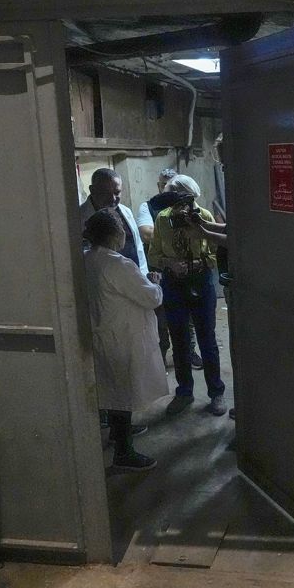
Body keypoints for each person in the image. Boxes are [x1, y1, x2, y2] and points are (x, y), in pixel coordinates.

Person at [83, 209, 164, 473]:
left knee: (114, 388)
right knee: (122, 390)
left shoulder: (86, 259)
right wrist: (155, 282)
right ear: (114, 234)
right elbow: (150, 298)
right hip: (122, 335)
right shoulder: (118, 265)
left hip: (102, 332)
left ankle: (121, 432)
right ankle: (124, 452)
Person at [149, 174, 227, 416]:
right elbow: (154, 255)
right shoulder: (162, 219)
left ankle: (216, 393)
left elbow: (217, 253)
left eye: (181, 199)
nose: (177, 206)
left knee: (207, 340)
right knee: (180, 341)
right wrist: (169, 263)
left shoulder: (203, 216)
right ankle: (184, 392)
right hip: (174, 284)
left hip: (201, 281)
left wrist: (200, 262)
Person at [137, 168, 202, 370]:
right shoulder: (149, 207)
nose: (168, 188)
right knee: (162, 319)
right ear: (159, 186)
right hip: (162, 271)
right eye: (164, 184)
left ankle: (189, 352)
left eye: (172, 184)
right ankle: (162, 356)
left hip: (190, 272)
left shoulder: (191, 206)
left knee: (189, 318)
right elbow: (147, 234)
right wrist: (171, 227)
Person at [80, 168, 147, 276]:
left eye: (117, 192)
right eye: (106, 193)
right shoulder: (79, 219)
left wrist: (144, 276)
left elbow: (138, 248)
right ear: (92, 190)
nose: (112, 198)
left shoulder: (126, 212)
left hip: (134, 283)